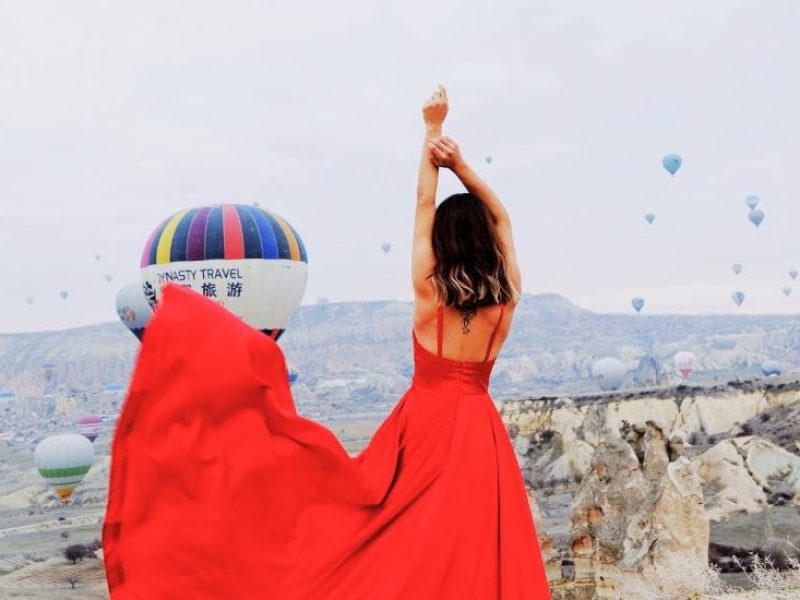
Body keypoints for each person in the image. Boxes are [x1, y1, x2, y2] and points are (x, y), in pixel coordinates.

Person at [102, 86, 551, 599]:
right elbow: (504, 219)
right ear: (489, 243)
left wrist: (433, 136)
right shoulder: (507, 300)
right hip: (479, 427)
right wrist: (465, 168)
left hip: (425, 422)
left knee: (394, 528)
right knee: (475, 534)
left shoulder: (428, 293)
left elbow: (425, 202)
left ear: (444, 244)